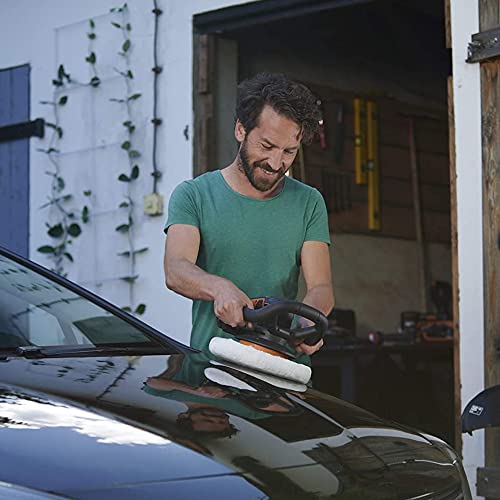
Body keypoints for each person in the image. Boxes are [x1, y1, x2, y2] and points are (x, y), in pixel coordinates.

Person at [163, 73, 334, 361]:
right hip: (209, 369)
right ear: (241, 130)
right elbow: (176, 269)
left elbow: (321, 287)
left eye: (289, 151)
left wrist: (309, 320)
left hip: (282, 369)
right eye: (267, 146)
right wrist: (219, 288)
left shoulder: (309, 202)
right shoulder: (193, 195)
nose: (276, 163)